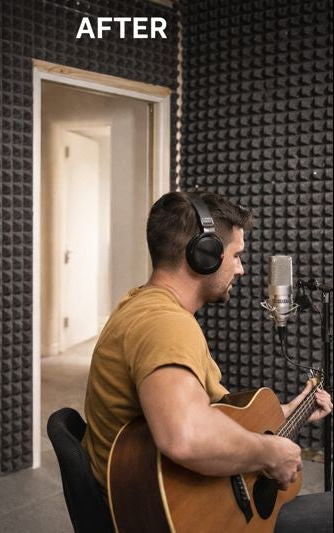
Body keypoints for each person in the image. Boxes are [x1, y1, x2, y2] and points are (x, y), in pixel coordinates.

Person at [82, 191, 332, 530]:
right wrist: (271, 452)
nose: (241, 270)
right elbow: (186, 436)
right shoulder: (166, 324)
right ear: (205, 255)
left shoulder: (140, 304)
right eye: (237, 255)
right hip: (185, 515)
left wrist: (291, 411)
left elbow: (210, 415)